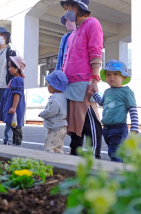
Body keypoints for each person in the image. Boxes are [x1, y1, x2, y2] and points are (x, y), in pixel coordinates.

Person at [60, 0, 103, 158]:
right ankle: (75, 154)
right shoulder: (72, 34)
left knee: (89, 120)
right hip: (70, 83)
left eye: (68, 8)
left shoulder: (92, 23)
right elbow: (65, 60)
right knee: (75, 123)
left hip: (85, 82)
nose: (66, 12)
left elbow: (95, 51)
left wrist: (94, 80)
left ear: (77, 7)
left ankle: (95, 157)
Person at [91, 60, 139, 162]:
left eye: (116, 74)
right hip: (107, 128)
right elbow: (101, 103)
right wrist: (94, 94)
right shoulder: (107, 91)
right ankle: (122, 168)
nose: (111, 77)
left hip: (119, 128)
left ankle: (116, 174)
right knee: (114, 151)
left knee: (114, 152)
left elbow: (132, 109)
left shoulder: (126, 91)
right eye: (108, 74)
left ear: (124, 77)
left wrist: (134, 126)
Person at [0, 56, 26, 146]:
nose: (9, 69)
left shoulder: (18, 80)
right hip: (10, 106)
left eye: (10, 67)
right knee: (11, 124)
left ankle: (15, 143)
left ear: (17, 68)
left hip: (14, 107)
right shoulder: (14, 79)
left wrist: (13, 107)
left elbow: (17, 94)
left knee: (14, 125)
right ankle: (9, 141)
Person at [39, 70, 69, 154]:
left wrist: (42, 114)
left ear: (54, 85)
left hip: (54, 128)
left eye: (49, 84)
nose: (47, 86)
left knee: (48, 148)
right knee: (58, 149)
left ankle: (50, 165)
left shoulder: (56, 99)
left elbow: (51, 111)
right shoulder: (64, 96)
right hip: (62, 127)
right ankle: (60, 165)